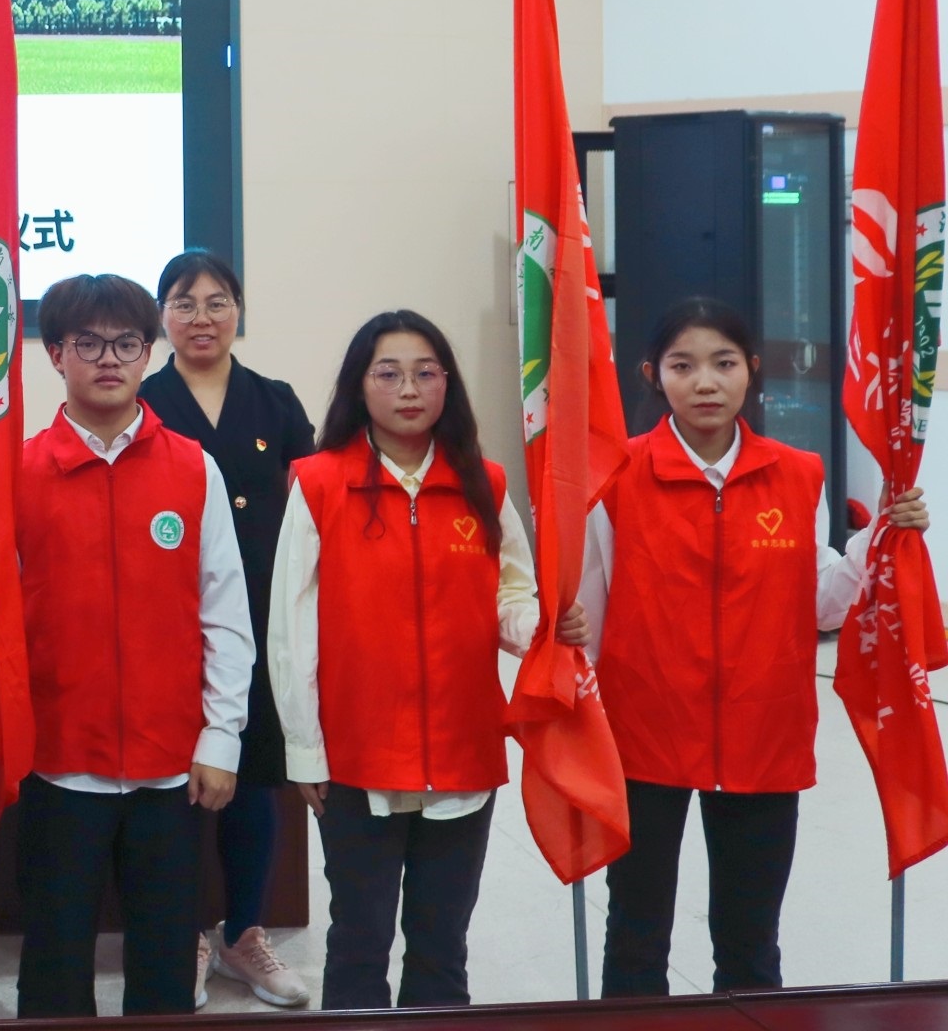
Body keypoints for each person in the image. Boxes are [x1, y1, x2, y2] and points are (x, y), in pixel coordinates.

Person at [580, 297, 928, 995]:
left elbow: (821, 600)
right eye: (683, 366)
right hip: (643, 736)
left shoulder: (797, 474)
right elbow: (588, 617)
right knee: (636, 933)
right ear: (653, 375)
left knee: (750, 942)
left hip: (763, 734)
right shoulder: (615, 476)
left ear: (752, 370)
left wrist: (880, 536)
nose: (705, 382)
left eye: (723, 363)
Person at [269, 310, 583, 1009]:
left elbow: (512, 594)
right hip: (356, 756)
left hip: (463, 749)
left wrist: (543, 626)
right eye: (389, 374)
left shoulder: (484, 484)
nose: (408, 389)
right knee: (359, 938)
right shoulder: (319, 483)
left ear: (448, 384)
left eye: (425, 373)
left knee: (443, 943)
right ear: (360, 385)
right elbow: (291, 629)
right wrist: (305, 751)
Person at [0, 273, 253, 1018]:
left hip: (171, 762)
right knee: (55, 960)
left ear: (148, 351)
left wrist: (222, 736)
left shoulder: (193, 466)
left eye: (126, 343)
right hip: (59, 758)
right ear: (55, 354)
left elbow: (226, 614)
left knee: (163, 962)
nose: (108, 360)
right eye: (87, 344)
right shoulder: (17, 472)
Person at [137, 251, 314, 1008]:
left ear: (238, 311)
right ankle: (181, 936)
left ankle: (243, 933)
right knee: (175, 788)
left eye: (218, 302)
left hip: (265, 622)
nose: (202, 318)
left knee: (254, 781)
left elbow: (312, 512)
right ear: (162, 318)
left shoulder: (275, 402)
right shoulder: (142, 401)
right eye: (184, 302)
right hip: (171, 622)